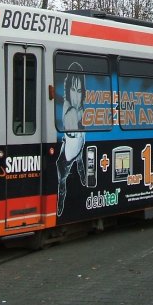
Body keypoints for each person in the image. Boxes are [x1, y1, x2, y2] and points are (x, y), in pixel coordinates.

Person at [56, 63, 87, 216]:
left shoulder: (80, 107)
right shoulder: (71, 112)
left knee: (80, 162)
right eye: (73, 90)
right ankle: (60, 204)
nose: (76, 96)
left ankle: (83, 177)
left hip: (78, 146)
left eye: (79, 91)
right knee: (62, 180)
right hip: (68, 154)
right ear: (68, 90)